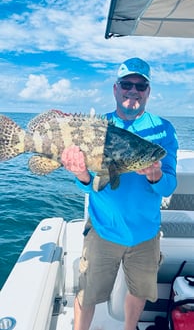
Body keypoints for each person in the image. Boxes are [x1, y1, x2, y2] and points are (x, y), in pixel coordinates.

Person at [61, 57, 178, 330]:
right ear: (116, 88)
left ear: (148, 91)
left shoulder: (163, 130)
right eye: (127, 84)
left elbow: (169, 186)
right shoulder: (97, 126)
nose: (133, 91)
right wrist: (80, 174)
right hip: (103, 230)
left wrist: (156, 175)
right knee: (87, 293)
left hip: (145, 234)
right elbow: (91, 182)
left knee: (138, 292)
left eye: (140, 85)